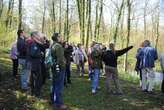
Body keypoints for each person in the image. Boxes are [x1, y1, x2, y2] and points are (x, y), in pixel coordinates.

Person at [51, 33, 67, 110]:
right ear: (57, 37)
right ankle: (58, 104)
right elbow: (60, 59)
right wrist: (64, 65)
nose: (62, 38)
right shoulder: (58, 46)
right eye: (60, 36)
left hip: (53, 67)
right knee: (59, 86)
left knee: (54, 84)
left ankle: (53, 101)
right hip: (59, 68)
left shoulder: (52, 45)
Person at [27, 31, 45, 97]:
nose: (39, 36)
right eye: (37, 35)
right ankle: (36, 93)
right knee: (37, 79)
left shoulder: (34, 42)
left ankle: (33, 92)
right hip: (34, 64)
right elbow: (32, 53)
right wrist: (40, 54)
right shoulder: (33, 43)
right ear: (34, 36)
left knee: (34, 79)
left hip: (34, 63)